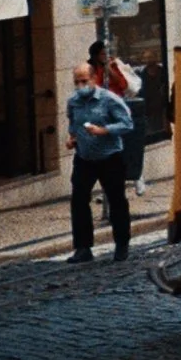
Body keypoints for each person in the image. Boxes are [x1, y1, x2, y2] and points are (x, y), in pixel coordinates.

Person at [63, 63, 135, 263]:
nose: (80, 85)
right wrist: (72, 139)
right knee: (78, 200)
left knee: (116, 200)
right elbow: (73, 124)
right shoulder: (73, 102)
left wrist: (104, 130)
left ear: (94, 79)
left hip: (109, 156)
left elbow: (127, 124)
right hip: (84, 158)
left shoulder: (109, 100)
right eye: (77, 82)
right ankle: (83, 247)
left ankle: (122, 244)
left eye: (84, 81)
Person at [91, 43, 148, 201]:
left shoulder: (113, 66)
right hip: (101, 113)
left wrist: (110, 70)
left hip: (118, 109)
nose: (104, 57)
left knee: (128, 147)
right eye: (101, 54)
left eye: (105, 54)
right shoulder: (91, 69)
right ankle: (108, 192)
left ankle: (137, 176)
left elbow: (123, 85)